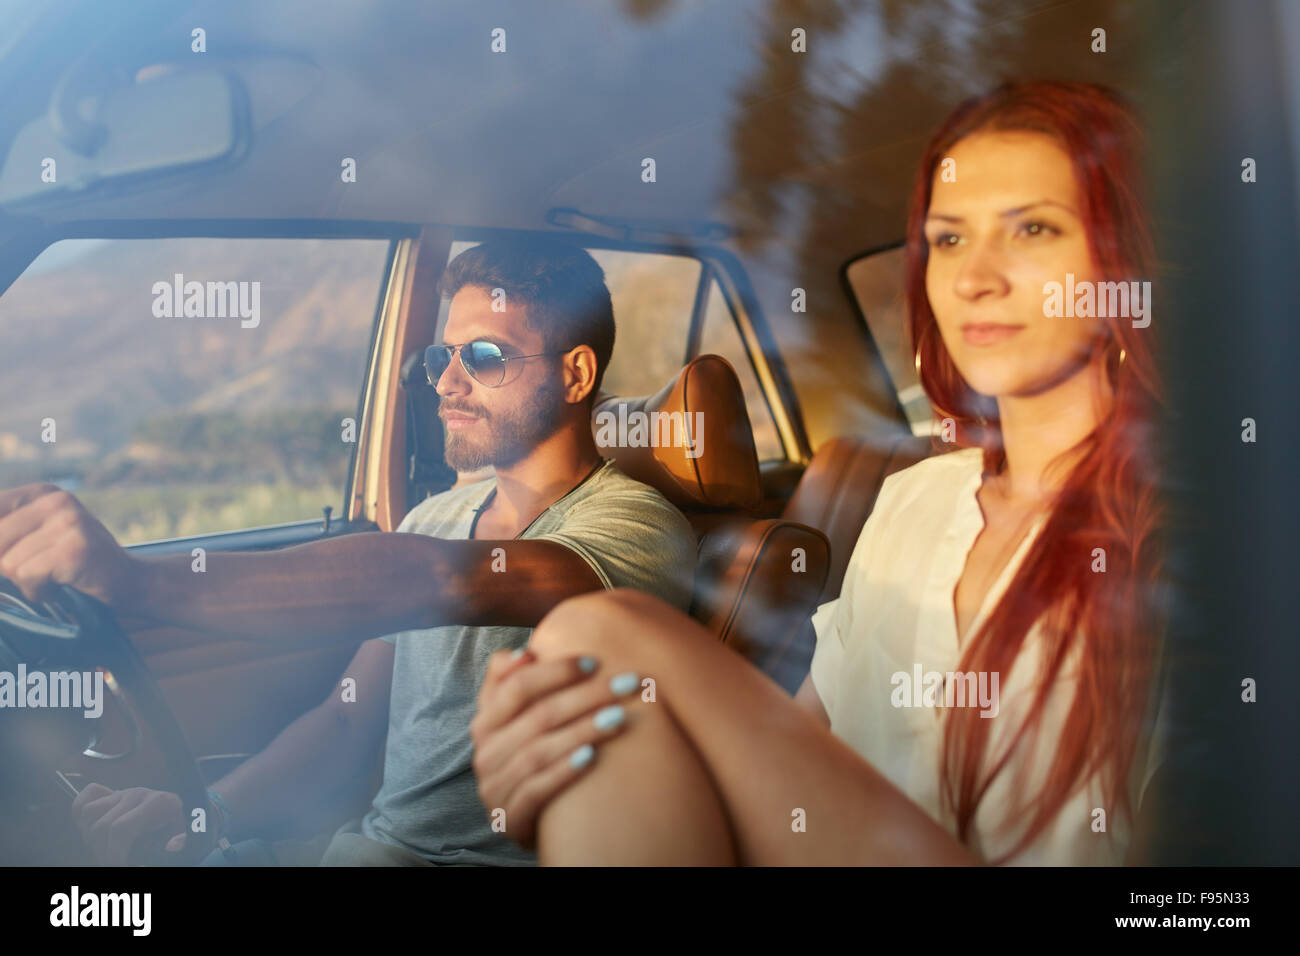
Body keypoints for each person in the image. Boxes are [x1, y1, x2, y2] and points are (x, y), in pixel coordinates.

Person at [468, 81, 1169, 865]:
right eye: (947, 239)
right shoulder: (914, 498)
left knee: (596, 631)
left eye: (1032, 228)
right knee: (588, 684)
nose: (975, 278)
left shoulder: (1197, 530)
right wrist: (545, 751)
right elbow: (812, 738)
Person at [0, 238, 697, 865]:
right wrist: (205, 815)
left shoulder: (636, 528)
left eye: (483, 357)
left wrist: (141, 582)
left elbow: (439, 579)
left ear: (575, 375)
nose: (448, 382)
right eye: (441, 356)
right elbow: (345, 719)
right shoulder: (436, 515)